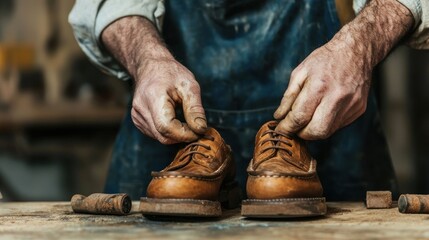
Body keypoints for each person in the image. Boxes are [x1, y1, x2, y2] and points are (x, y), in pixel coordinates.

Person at [69, 0, 428, 204]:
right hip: (164, 130)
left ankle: (283, 146)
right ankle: (205, 148)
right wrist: (147, 58)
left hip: (334, 124)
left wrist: (360, 45)